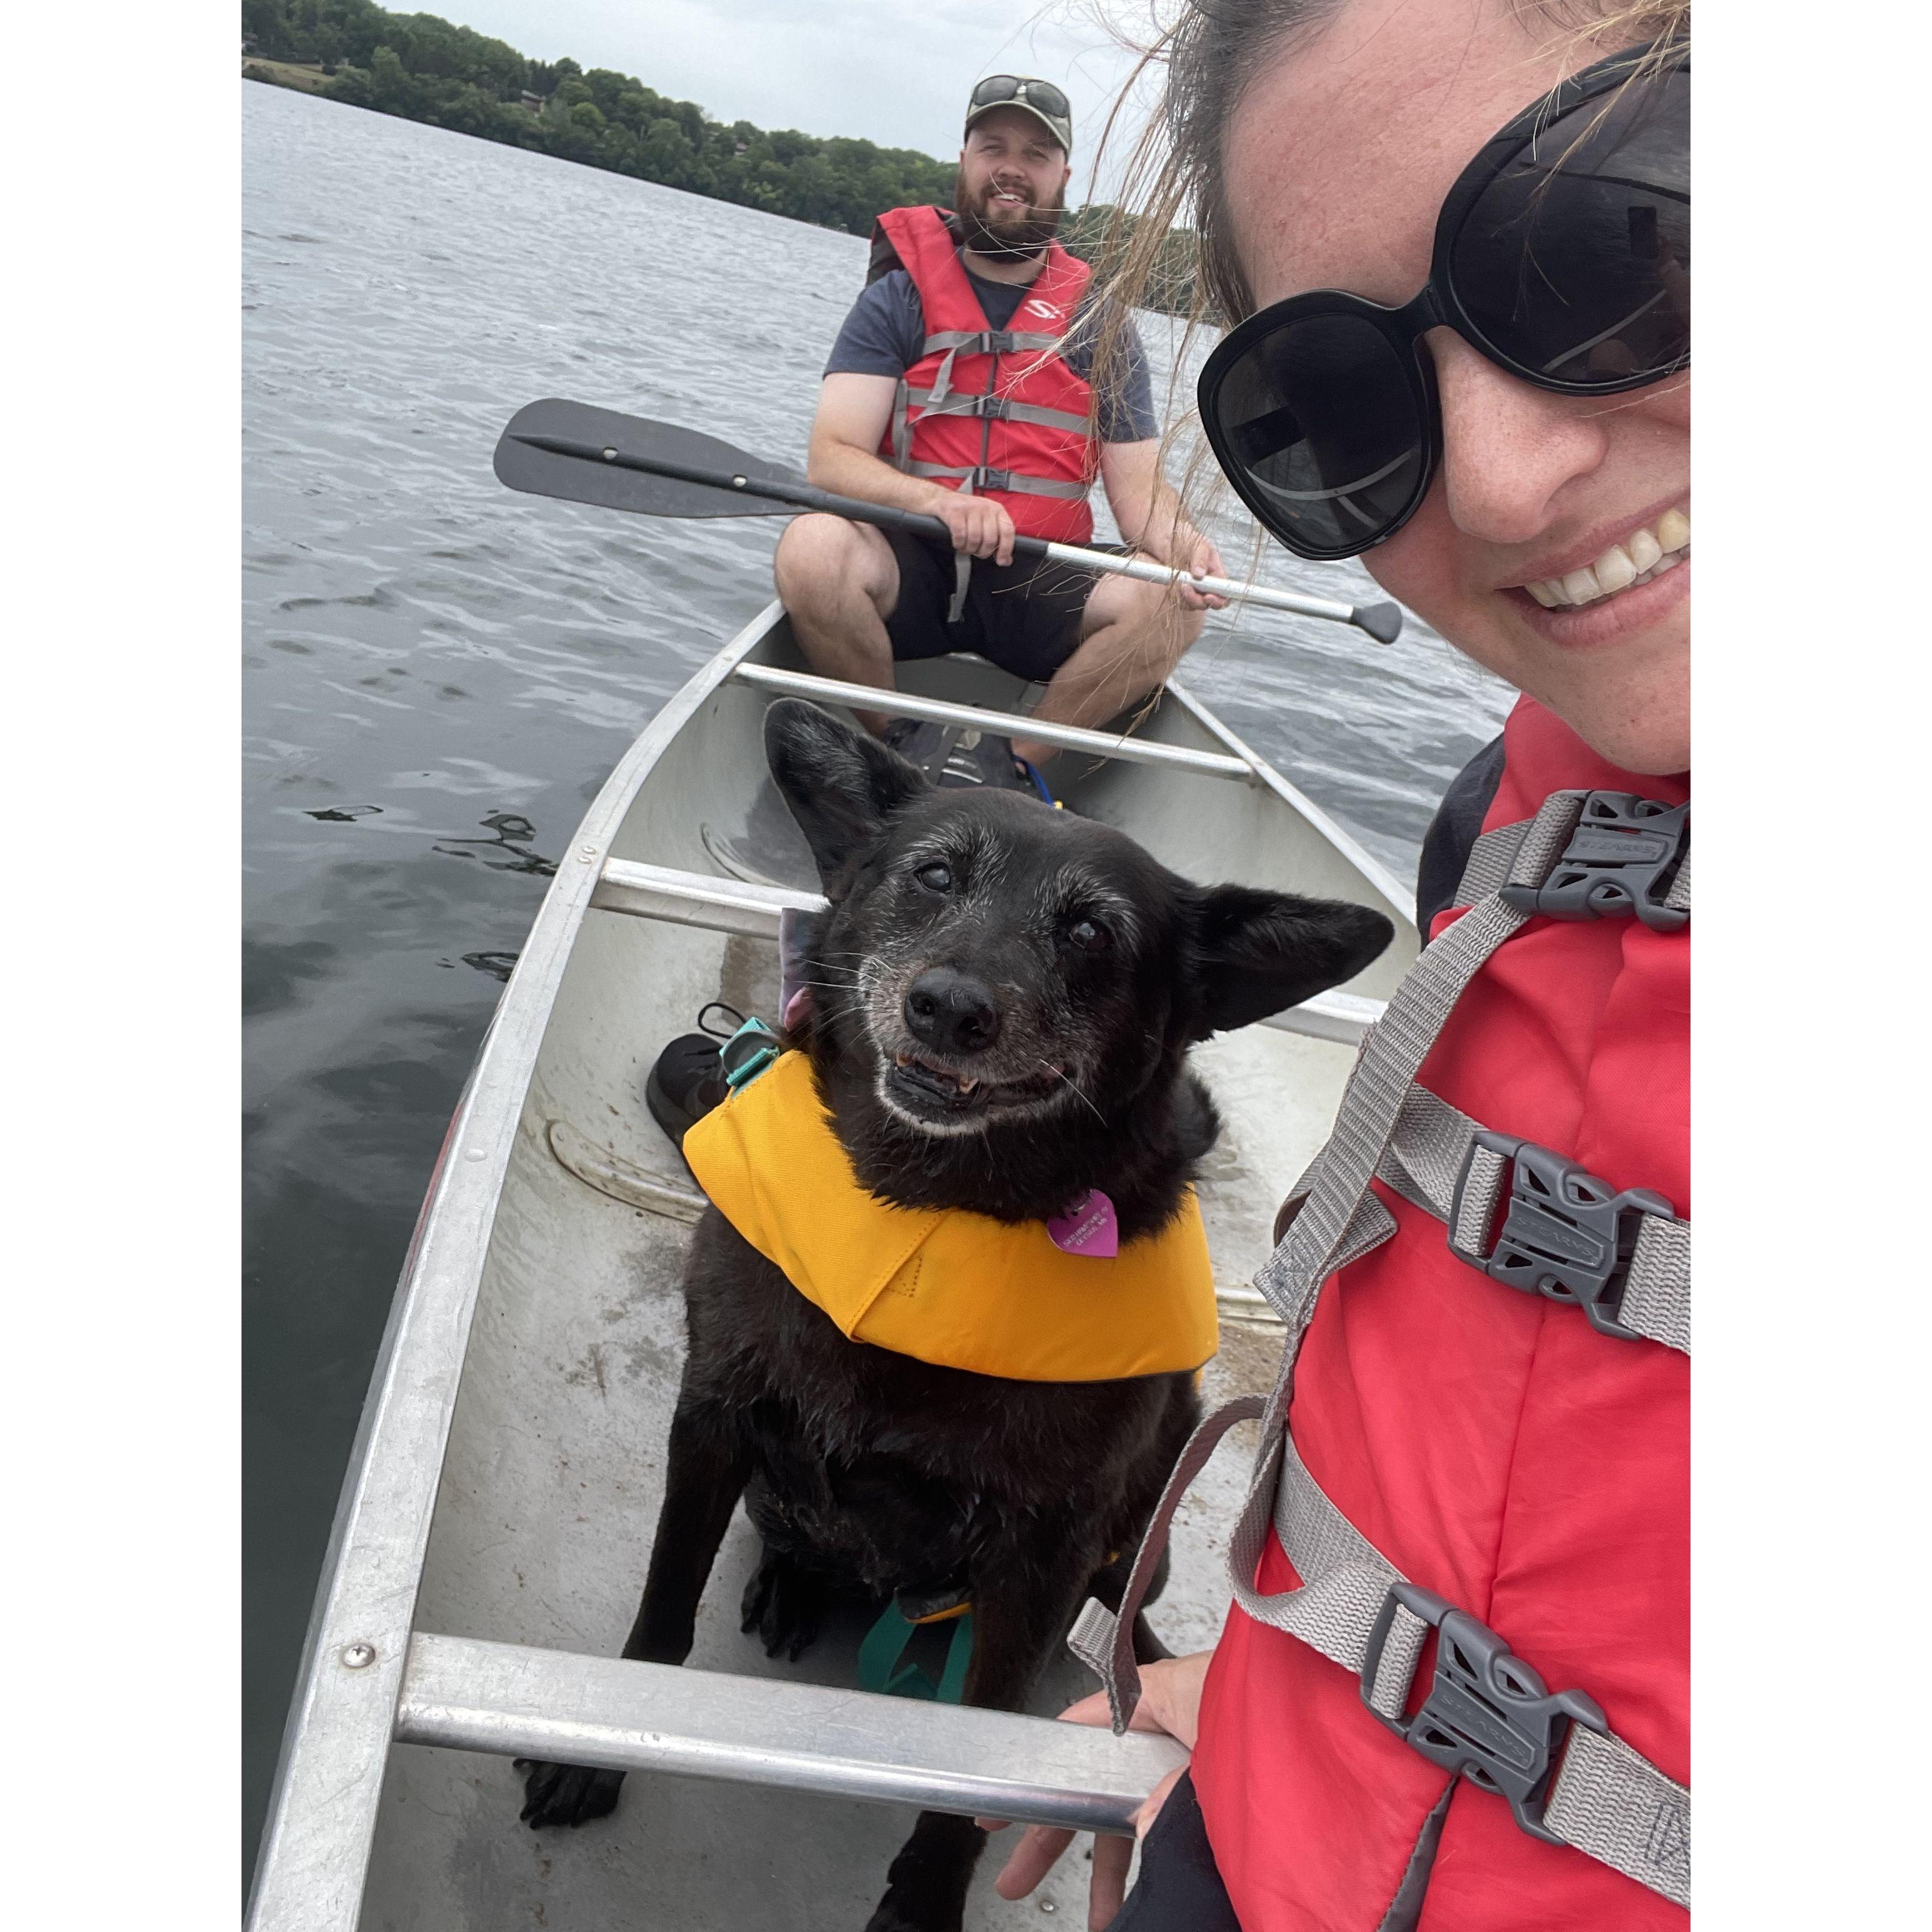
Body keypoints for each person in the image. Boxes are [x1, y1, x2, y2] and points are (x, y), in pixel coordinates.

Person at [984, 3, 1691, 1928]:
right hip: (1275, 1813)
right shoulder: (1515, 826)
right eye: (1334, 412)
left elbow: (1143, 508)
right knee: (827, 579)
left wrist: (1161, 551)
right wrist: (1306, 1669)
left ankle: (1024, 757)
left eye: (1617, 248)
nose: (1509, 481)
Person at [773, 74, 1228, 791]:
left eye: (1036, 153)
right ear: (966, 161)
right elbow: (831, 458)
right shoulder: (899, 297)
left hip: (1037, 578)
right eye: (994, 147)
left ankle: (1011, 769)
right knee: (812, 547)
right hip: (911, 563)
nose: (1012, 166)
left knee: (1170, 606)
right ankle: (897, 754)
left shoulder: (1097, 321)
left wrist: (1187, 549)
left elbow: (1139, 498)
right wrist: (941, 504)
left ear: (1063, 177)